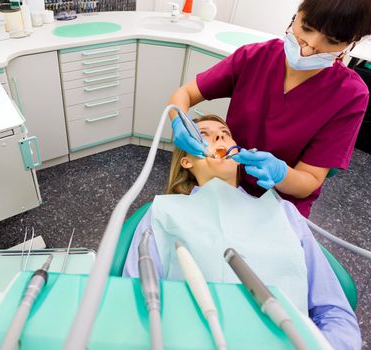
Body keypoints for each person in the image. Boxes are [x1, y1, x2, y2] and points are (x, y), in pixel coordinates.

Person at [123, 116, 361, 350]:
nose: (219, 136)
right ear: (187, 162)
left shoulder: (283, 213)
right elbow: (132, 301)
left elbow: (334, 311)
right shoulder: (164, 211)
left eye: (225, 134)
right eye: (203, 134)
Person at [168, 0, 371, 217]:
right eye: (307, 28)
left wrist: (282, 174)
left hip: (280, 203)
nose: (309, 47)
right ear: (296, 16)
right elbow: (185, 94)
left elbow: (309, 181)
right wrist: (178, 120)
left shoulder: (350, 95)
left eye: (331, 41)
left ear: (351, 43)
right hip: (228, 183)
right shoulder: (254, 58)